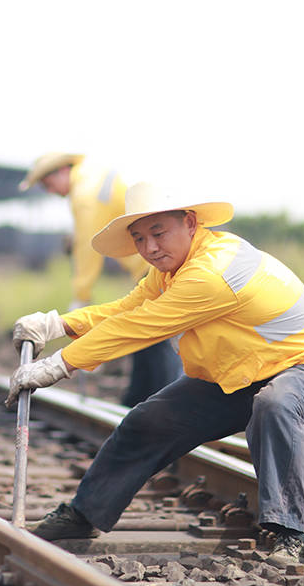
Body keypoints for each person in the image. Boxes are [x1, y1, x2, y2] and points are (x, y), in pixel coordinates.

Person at [5, 182, 304, 568]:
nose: (149, 248)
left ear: (190, 223)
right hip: (236, 376)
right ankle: (84, 515)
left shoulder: (212, 272)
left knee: (275, 404)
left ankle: (287, 534)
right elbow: (126, 309)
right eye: (139, 239)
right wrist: (56, 324)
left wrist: (59, 365)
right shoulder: (172, 270)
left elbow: (141, 326)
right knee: (148, 420)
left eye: (158, 233)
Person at [19, 153, 182, 406]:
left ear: (61, 171)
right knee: (144, 341)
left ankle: (165, 405)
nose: (50, 191)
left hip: (157, 266)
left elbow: (88, 247)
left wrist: (81, 295)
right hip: (154, 266)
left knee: (155, 337)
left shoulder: (84, 195)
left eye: (48, 185)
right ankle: (138, 403)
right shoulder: (94, 176)